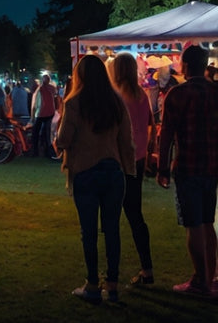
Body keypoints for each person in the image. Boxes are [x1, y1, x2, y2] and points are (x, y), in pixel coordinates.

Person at [54, 54, 135, 303]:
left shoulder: (75, 102)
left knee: (88, 231)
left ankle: (91, 284)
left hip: (85, 172)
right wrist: (129, 171)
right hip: (113, 171)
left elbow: (64, 139)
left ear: (81, 75)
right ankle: (111, 285)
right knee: (112, 230)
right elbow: (126, 142)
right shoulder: (116, 102)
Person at [156, 45, 218, 296]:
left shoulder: (177, 94)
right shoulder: (215, 92)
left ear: (185, 65)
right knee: (206, 222)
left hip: (188, 166)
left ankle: (200, 280)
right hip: (212, 166)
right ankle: (211, 277)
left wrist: (161, 168)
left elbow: (167, 135)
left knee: (193, 224)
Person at [108, 52, 155, 286]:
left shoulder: (115, 97)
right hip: (137, 160)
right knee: (136, 216)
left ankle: (111, 275)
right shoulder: (142, 96)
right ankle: (147, 268)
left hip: (117, 161)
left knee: (112, 218)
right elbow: (149, 127)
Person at [31, 74, 59, 157]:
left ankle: (35, 151)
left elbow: (34, 104)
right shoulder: (52, 88)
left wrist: (32, 116)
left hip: (40, 114)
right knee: (47, 134)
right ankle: (47, 152)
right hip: (50, 113)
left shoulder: (39, 89)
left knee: (35, 133)